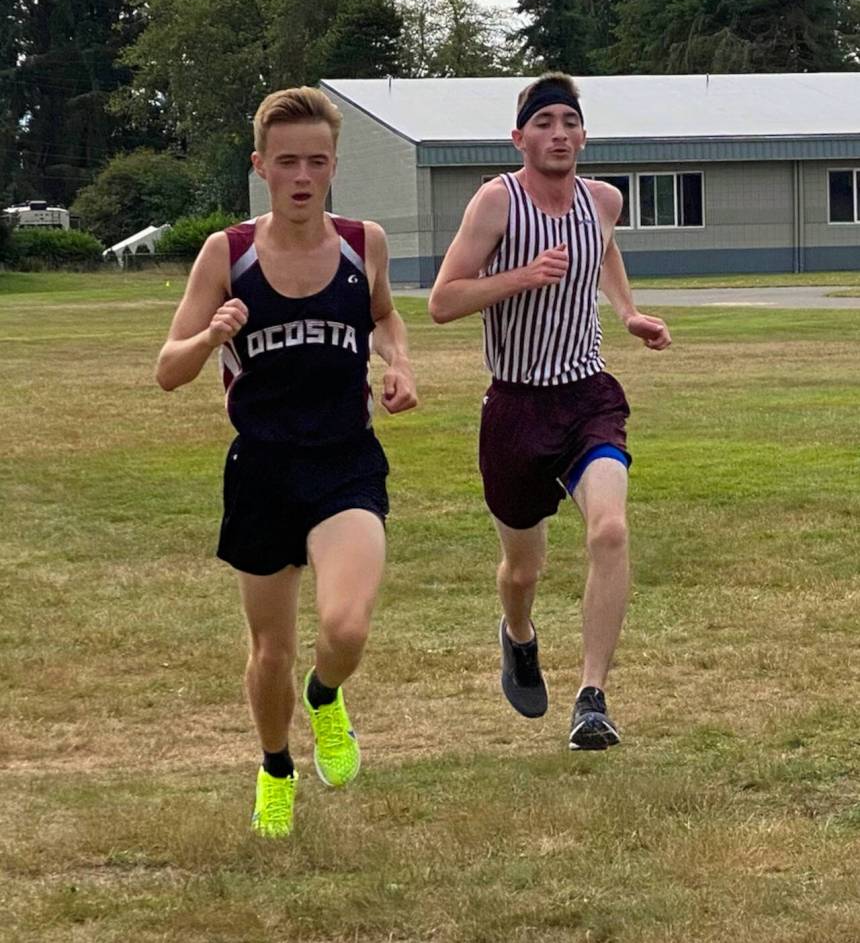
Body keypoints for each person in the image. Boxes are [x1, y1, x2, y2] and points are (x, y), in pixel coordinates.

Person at [156, 86, 417, 838]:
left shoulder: (362, 242)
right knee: (268, 646)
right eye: (287, 162)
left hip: (345, 462)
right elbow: (167, 369)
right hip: (262, 470)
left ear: (335, 166)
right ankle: (275, 766)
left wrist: (399, 362)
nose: (303, 175)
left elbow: (385, 314)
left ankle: (326, 696)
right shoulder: (227, 255)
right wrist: (211, 336)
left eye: (317, 161)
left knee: (347, 625)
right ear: (260, 167)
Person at [428, 72, 670, 751]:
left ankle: (592, 697)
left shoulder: (603, 200)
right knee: (523, 569)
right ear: (519, 137)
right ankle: (518, 634)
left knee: (611, 530)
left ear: (584, 134)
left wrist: (627, 311)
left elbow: (604, 246)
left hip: (587, 395)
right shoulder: (495, 204)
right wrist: (521, 277)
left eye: (569, 121)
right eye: (543, 122)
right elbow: (443, 301)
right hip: (515, 406)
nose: (558, 132)